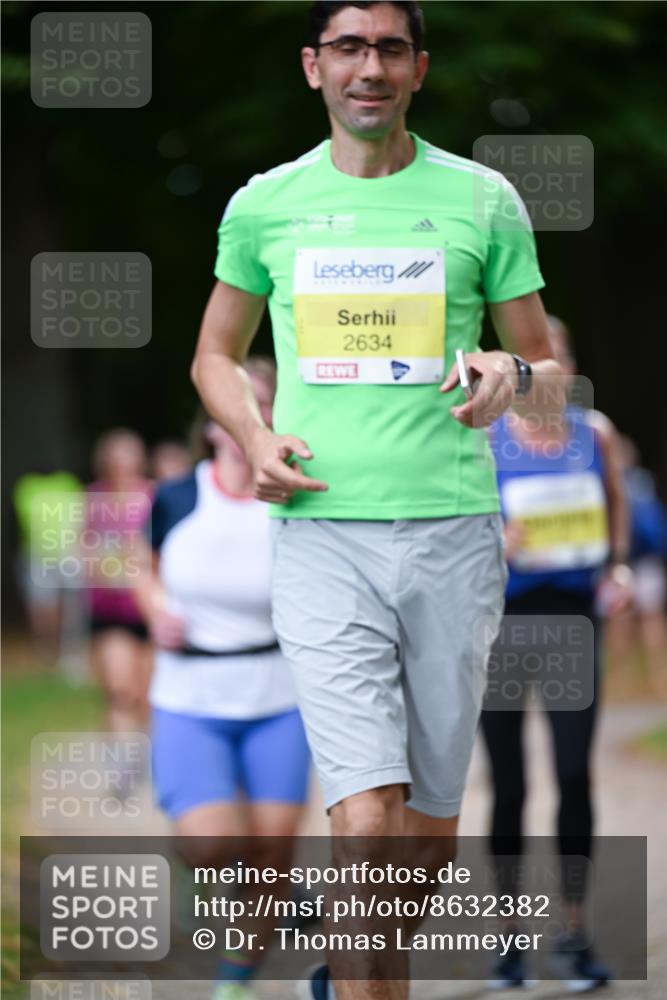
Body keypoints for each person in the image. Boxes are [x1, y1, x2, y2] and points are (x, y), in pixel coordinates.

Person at [191, 3, 564, 997]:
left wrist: (510, 376)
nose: (369, 67)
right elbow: (214, 357)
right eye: (348, 48)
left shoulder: (482, 199)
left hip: (452, 537)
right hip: (320, 535)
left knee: (426, 833)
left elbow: (549, 369)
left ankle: (356, 967)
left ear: (419, 68)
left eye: (389, 48)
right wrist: (254, 435)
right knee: (365, 812)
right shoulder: (264, 203)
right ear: (313, 67)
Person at [138, 358, 310, 1000]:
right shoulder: (177, 497)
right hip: (190, 695)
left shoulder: (295, 496)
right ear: (213, 422)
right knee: (213, 843)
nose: (249, 417)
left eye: (263, 404)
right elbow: (140, 567)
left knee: (272, 856)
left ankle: (234, 981)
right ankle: (202, 870)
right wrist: (155, 608)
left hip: (276, 694)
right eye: (236, 404)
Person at [480, 316, 633, 991]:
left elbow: (615, 510)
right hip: (500, 624)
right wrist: (495, 544)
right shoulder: (483, 440)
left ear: (566, 370)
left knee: (572, 776)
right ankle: (509, 940)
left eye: (558, 358)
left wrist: (619, 568)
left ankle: (572, 931)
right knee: (508, 785)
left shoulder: (591, 435)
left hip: (572, 620)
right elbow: (457, 529)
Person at [86, 429, 153, 735]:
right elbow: (81, 548)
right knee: (120, 690)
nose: (121, 464)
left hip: (150, 609)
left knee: (146, 695)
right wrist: (102, 564)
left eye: (128, 456)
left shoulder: (154, 495)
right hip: (110, 609)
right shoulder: (93, 498)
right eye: (115, 457)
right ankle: (122, 767)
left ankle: (152, 764)